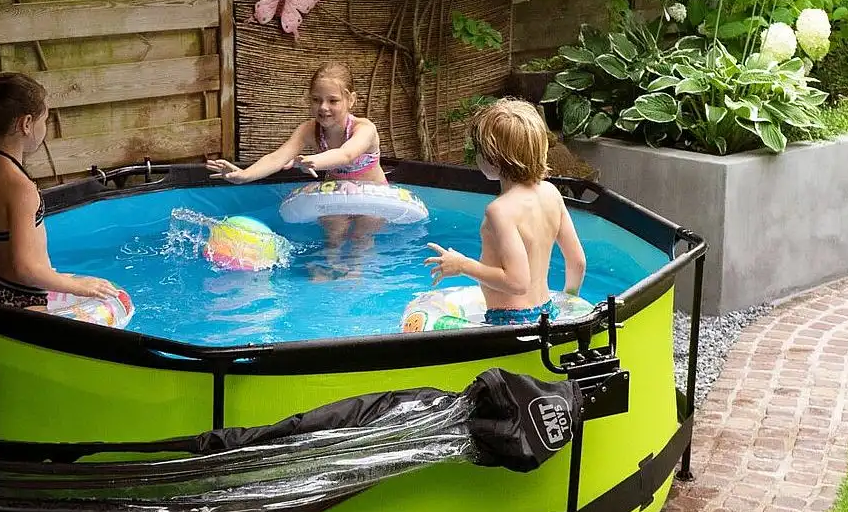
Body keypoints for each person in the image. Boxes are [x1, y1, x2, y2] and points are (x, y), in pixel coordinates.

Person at [0, 72, 119, 311]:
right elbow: (26, 269)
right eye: (44, 120)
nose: (45, 128)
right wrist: (77, 285)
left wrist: (18, 269)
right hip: (23, 301)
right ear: (26, 124)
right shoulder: (21, 188)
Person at [425, 98, 586, 326]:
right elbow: (577, 262)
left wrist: (462, 265)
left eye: (478, 151)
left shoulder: (499, 210)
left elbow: (517, 282)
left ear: (493, 161)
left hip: (510, 320)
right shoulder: (551, 193)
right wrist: (570, 301)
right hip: (547, 310)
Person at [205, 61, 388, 260]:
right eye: (316, 100)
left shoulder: (364, 129)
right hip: (336, 196)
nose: (323, 107)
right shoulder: (309, 130)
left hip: (373, 197)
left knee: (361, 238)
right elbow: (277, 157)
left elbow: (346, 155)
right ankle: (329, 267)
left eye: (333, 101)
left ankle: (356, 272)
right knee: (333, 238)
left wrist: (315, 161)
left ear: (350, 100)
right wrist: (244, 175)